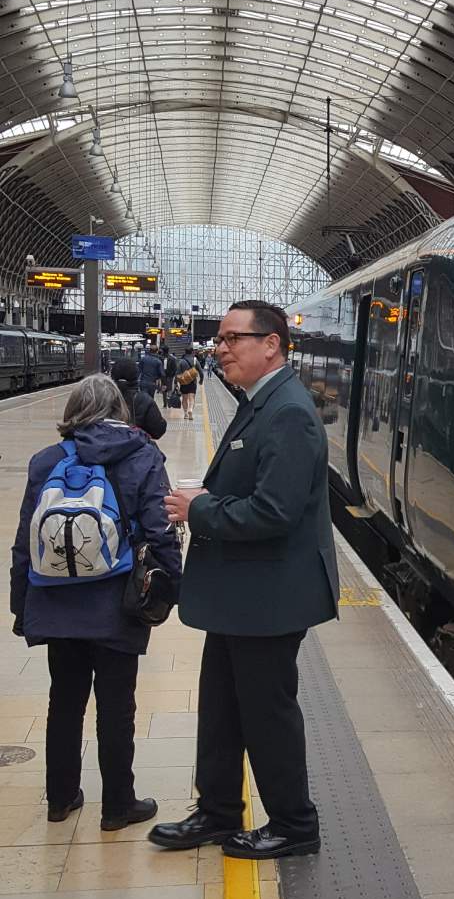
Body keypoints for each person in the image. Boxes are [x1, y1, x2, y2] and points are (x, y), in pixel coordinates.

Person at [149, 300, 339, 860]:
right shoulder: (261, 402)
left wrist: (200, 510)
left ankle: (295, 825)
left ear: (271, 344)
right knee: (222, 707)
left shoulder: (288, 413)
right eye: (220, 338)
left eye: (233, 338)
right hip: (244, 594)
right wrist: (210, 498)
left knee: (266, 713)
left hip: (269, 598)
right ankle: (218, 811)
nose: (221, 348)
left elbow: (275, 512)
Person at [9, 374, 182, 828]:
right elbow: (160, 528)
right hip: (117, 603)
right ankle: (118, 806)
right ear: (119, 411)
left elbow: (25, 541)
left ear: (72, 412)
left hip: (55, 602)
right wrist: (174, 585)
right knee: (116, 705)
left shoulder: (46, 460)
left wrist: (20, 605)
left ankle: (60, 798)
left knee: (64, 701)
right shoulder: (142, 455)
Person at [110, 358, 167, 441]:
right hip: (135, 445)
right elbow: (158, 431)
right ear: (135, 375)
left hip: (104, 446)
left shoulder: (102, 398)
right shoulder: (144, 400)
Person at [176, 348, 201, 422]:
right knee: (191, 398)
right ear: (192, 352)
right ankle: (190, 410)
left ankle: (185, 413)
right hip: (193, 382)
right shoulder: (195, 360)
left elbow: (177, 373)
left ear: (185, 352)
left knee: (184, 398)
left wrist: (175, 382)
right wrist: (201, 380)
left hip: (184, 383)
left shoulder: (181, 361)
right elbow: (201, 371)